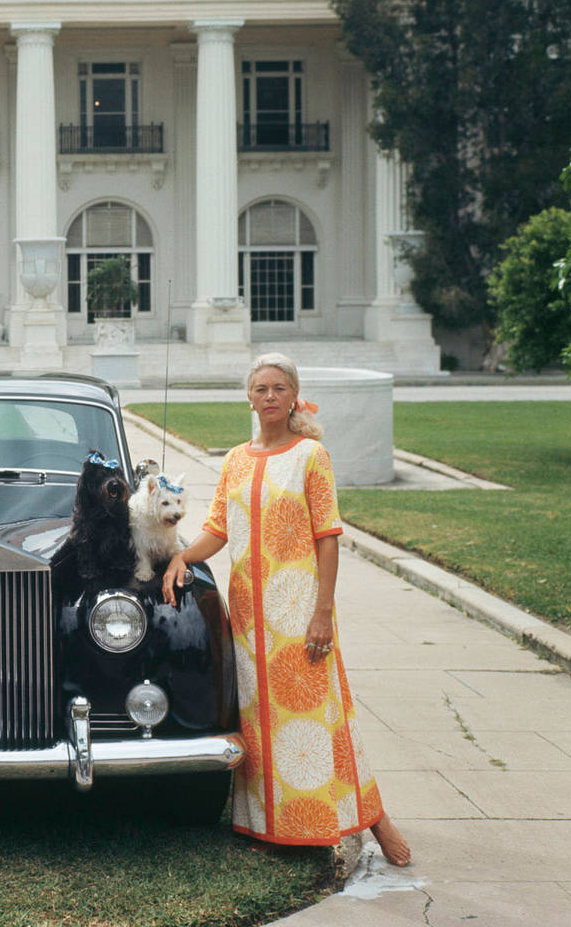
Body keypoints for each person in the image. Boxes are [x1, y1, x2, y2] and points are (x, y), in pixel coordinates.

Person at [163, 352, 411, 866]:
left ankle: (370, 819)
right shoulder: (234, 460)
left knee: (318, 717)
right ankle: (270, 825)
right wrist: (180, 556)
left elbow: (328, 537)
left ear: (293, 395)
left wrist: (323, 611)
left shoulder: (311, 456)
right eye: (261, 388)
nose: (270, 396)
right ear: (249, 398)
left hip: (300, 611)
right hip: (251, 617)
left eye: (279, 388)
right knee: (259, 721)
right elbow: (217, 530)